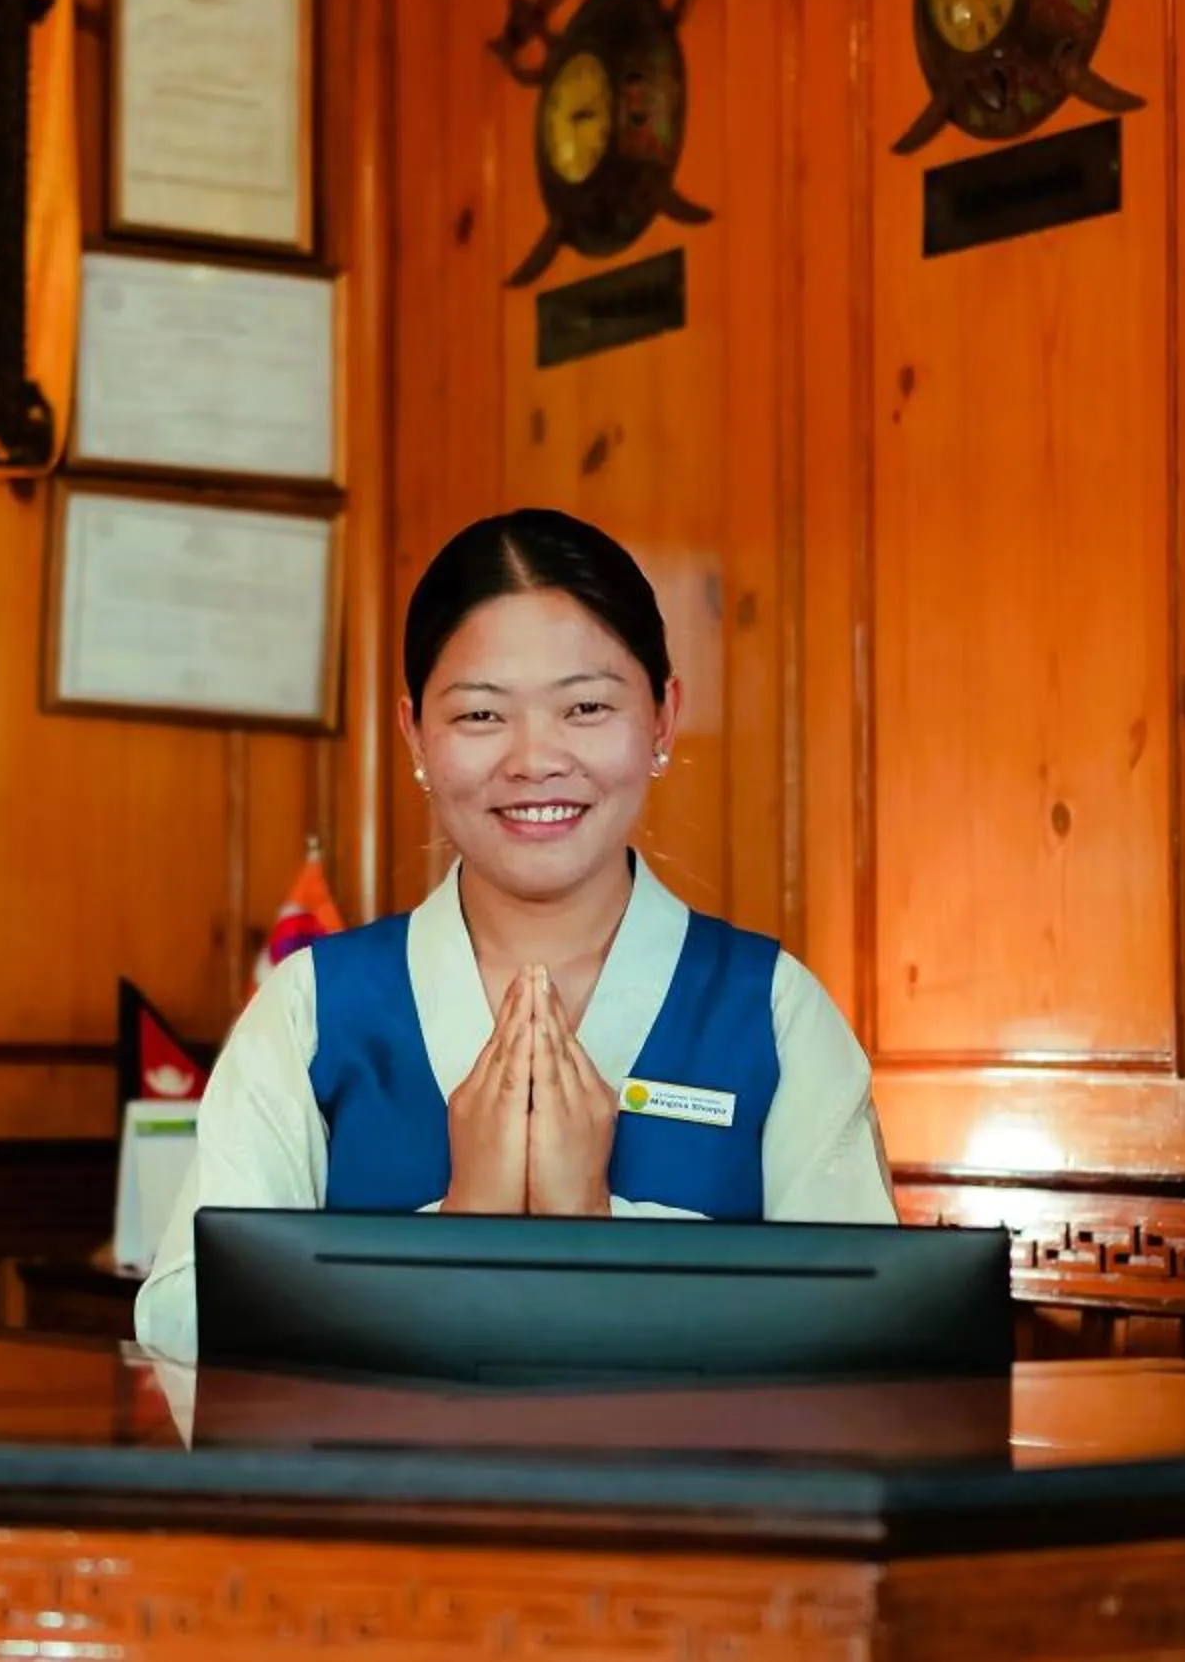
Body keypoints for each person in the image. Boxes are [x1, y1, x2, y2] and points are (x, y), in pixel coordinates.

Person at [131, 509, 894, 1363]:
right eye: (482, 717)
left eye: (587, 706)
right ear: (415, 733)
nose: (535, 759)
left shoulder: (773, 1010)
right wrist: (462, 1225)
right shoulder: (309, 1011)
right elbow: (186, 1323)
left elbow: (864, 1341)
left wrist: (597, 1230)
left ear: (663, 719)